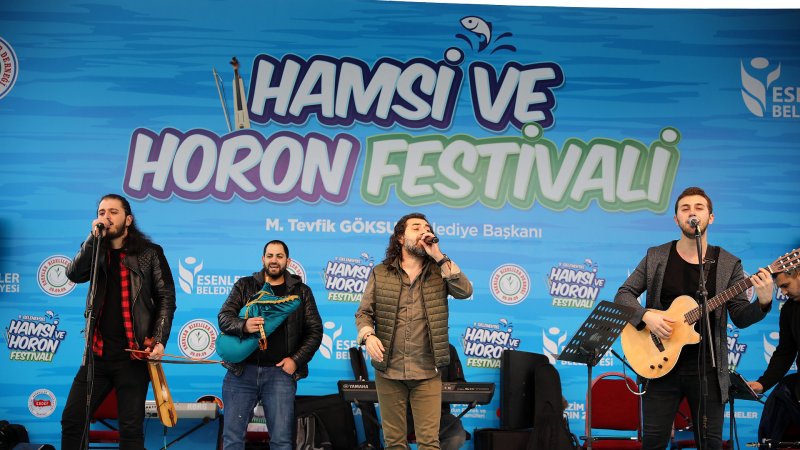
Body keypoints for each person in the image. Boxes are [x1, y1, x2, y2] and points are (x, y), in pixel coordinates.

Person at [614, 186, 774, 450]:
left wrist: (763, 302)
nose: (692, 213)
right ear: (676, 219)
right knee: (653, 443)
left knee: (710, 444)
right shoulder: (656, 256)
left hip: (708, 372)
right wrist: (647, 317)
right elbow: (623, 295)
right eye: (685, 208)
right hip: (659, 366)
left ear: (710, 217)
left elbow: (740, 317)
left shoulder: (728, 264)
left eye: (699, 208)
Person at [61, 194, 176, 450]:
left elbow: (166, 298)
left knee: (130, 429)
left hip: (133, 356)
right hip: (97, 356)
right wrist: (93, 239)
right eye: (102, 213)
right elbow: (73, 274)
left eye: (113, 212)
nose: (106, 217)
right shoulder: (94, 250)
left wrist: (159, 340)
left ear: (128, 219)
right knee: (72, 420)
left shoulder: (149, 253)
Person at [355, 212, 473, 450]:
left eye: (427, 228)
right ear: (401, 238)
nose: (424, 232)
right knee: (394, 443)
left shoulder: (440, 271)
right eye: (416, 228)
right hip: (388, 370)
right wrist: (368, 335)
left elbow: (465, 291)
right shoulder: (380, 272)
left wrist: (438, 256)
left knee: (429, 443)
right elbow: (364, 313)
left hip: (427, 370)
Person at [218, 239, 322, 450]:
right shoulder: (244, 285)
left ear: (288, 261)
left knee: (282, 442)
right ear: (263, 259)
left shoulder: (301, 292)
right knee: (232, 440)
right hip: (241, 373)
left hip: (279, 375)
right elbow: (224, 317)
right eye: (270, 256)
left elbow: (315, 331)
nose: (274, 260)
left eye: (279, 256)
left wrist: (296, 360)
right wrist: (244, 325)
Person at [747, 268, 800, 443]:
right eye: (780, 288)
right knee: (778, 400)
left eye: (786, 285)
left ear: (798, 274)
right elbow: (785, 352)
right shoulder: (789, 309)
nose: (783, 292)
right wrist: (763, 383)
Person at [407, 344, 468, 450]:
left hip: (440, 414)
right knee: (392, 435)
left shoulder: (448, 349)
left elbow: (459, 383)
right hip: (406, 413)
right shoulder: (404, 346)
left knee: (457, 435)